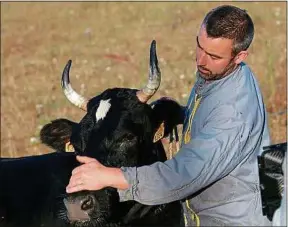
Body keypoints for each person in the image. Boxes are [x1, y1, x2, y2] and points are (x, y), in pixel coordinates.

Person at [66, 5, 271, 226]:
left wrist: (110, 177)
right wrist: (183, 113)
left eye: (213, 55)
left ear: (239, 56)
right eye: (200, 46)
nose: (201, 60)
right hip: (201, 212)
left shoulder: (233, 112)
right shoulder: (216, 74)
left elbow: (182, 175)